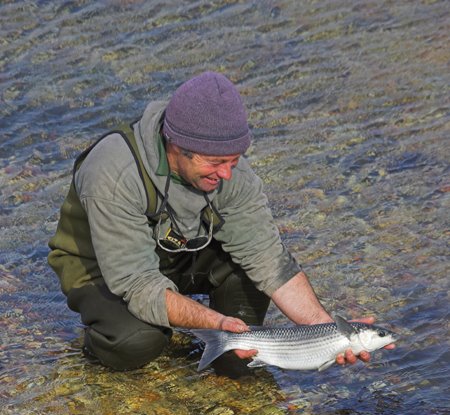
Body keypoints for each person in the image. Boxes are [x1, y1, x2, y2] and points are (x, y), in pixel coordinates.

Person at [48, 71, 389, 376]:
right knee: (137, 342)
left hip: (177, 251)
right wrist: (217, 324)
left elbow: (267, 258)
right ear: (176, 146)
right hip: (103, 267)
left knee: (238, 360)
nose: (226, 173)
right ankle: (98, 344)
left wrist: (325, 330)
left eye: (233, 160)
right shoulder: (114, 172)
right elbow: (138, 284)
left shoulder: (229, 171)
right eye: (215, 162)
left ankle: (216, 342)